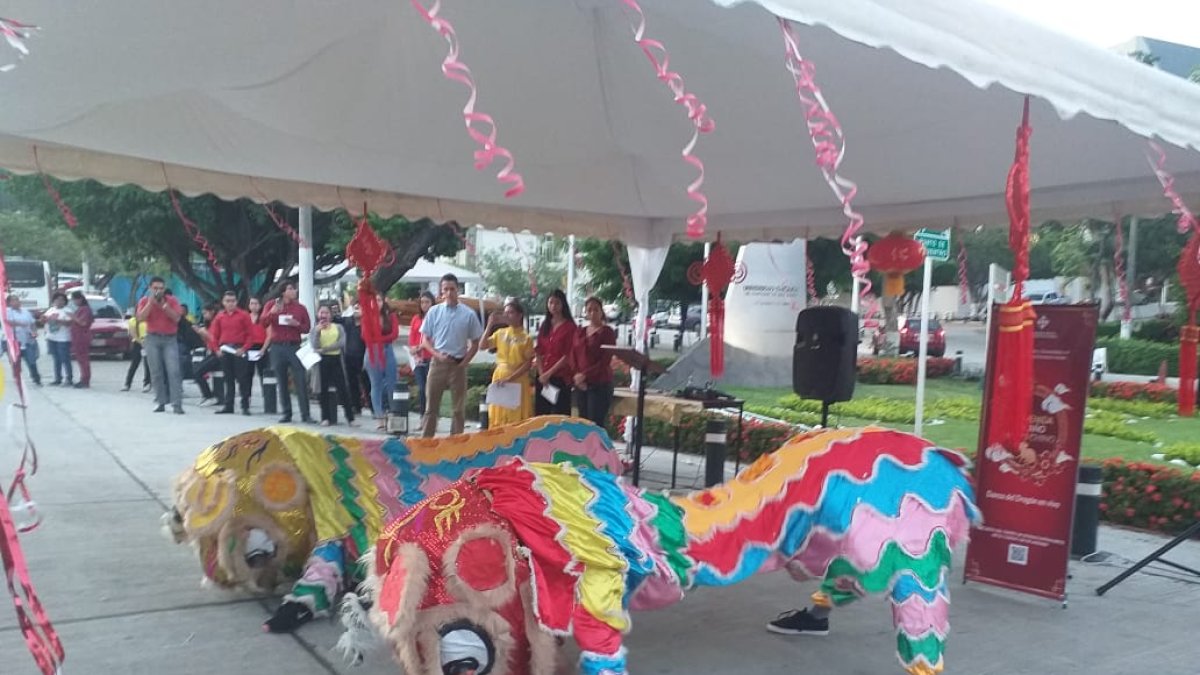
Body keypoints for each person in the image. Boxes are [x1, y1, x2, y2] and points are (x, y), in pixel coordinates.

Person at [419, 274, 482, 437]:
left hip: (458, 364)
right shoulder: (434, 312)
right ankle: (426, 443)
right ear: (441, 291)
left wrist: (464, 362)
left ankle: (456, 443)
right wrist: (436, 354)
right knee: (431, 408)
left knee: (458, 410)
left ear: (458, 290)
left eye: (452, 289)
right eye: (445, 289)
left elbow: (476, 343)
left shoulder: (468, 314)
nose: (449, 292)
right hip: (438, 363)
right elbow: (424, 340)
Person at [262, 282, 313, 424]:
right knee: (281, 380)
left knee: (300, 380)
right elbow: (263, 323)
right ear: (283, 292)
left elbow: (307, 327)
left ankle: (305, 414)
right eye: (290, 289)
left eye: (294, 288)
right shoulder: (272, 304)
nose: (294, 291)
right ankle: (286, 413)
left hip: (294, 346)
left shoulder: (300, 308)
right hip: (278, 346)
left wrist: (296, 325)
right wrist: (272, 313)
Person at [481, 300, 534, 426]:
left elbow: (528, 363)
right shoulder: (501, 333)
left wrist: (510, 378)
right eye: (505, 313)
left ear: (519, 315)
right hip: (500, 377)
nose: (507, 316)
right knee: (499, 413)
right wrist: (489, 325)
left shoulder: (526, 337)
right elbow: (482, 345)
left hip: (517, 379)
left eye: (510, 313)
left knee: (515, 415)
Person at [137, 278, 185, 414]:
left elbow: (176, 318)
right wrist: (151, 304)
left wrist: (164, 305)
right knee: (156, 372)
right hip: (152, 338)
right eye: (156, 288)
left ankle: (177, 404)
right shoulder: (144, 301)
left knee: (174, 371)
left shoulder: (172, 300)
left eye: (161, 288)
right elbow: (140, 318)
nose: (159, 291)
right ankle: (160, 402)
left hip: (169, 339)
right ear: (150, 289)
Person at [572, 296, 617, 427]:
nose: (592, 313)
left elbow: (605, 360)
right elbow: (573, 354)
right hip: (580, 384)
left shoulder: (607, 332)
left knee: (595, 424)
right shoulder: (580, 331)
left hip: (599, 384)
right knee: (582, 424)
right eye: (589, 310)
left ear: (601, 312)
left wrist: (585, 375)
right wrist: (576, 376)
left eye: (595, 310)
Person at [208, 291, 255, 415]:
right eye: (227, 301)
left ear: (236, 302)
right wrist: (216, 350)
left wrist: (244, 348)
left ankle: (245, 406)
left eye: (233, 301)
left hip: (239, 349)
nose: (230, 304)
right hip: (225, 350)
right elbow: (213, 335)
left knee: (242, 379)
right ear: (223, 302)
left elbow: (250, 335)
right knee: (228, 379)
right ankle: (229, 405)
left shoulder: (244, 315)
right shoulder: (219, 316)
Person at [309, 305, 356, 427]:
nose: (324, 315)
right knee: (322, 390)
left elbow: (341, 343)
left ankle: (350, 418)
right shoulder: (315, 329)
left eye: (326, 312)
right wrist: (318, 332)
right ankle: (325, 417)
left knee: (343, 389)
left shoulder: (338, 327)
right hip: (322, 361)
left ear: (330, 315)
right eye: (321, 312)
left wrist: (324, 349)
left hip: (335, 359)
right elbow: (314, 346)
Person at [534, 289, 576, 415]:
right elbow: (539, 351)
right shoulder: (545, 325)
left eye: (557, 303)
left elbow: (567, 355)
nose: (553, 306)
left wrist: (549, 373)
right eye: (551, 303)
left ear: (563, 304)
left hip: (560, 377)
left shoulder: (570, 327)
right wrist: (542, 373)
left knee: (559, 414)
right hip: (543, 377)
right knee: (541, 414)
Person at [363, 295, 399, 430]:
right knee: (376, 385)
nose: (376, 303)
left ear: (383, 301)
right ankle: (380, 417)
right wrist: (378, 339)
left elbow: (394, 334)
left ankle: (392, 413)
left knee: (392, 384)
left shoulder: (391, 316)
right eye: (373, 300)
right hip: (372, 352)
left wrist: (378, 338)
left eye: (378, 300)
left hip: (387, 350)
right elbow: (365, 336)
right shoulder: (367, 317)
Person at [5, 295, 42, 387]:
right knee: (16, 362)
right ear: (9, 303)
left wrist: (34, 332)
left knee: (31, 361)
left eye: (17, 300)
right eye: (13, 301)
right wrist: (20, 324)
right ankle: (18, 379)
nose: (16, 302)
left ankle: (36, 378)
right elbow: (7, 322)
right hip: (14, 341)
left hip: (27, 340)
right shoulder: (7, 312)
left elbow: (32, 323)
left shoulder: (25, 311)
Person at [338, 299, 367, 415]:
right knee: (351, 382)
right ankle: (356, 406)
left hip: (363, 356)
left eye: (359, 307)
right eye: (355, 308)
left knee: (366, 382)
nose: (356, 310)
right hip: (349, 356)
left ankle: (373, 407)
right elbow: (335, 319)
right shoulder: (347, 321)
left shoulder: (367, 323)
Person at [408, 291, 435, 414]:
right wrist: (414, 351)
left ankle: (431, 415)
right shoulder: (416, 318)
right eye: (422, 302)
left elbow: (433, 339)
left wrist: (420, 347)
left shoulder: (435, 318)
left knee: (430, 389)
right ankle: (422, 417)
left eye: (427, 302)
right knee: (421, 388)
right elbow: (412, 337)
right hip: (417, 359)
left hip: (430, 357)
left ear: (432, 303)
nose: (424, 305)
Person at [41, 292, 73, 386]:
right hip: (51, 337)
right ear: (54, 301)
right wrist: (43, 319)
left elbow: (69, 323)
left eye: (62, 300)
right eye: (57, 299)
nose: (59, 302)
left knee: (65, 359)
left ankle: (69, 378)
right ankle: (58, 378)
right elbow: (43, 320)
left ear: (65, 301)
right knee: (56, 359)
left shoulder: (68, 311)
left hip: (63, 338)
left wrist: (57, 320)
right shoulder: (51, 310)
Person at [243, 297, 271, 407]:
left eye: (256, 303)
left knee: (263, 374)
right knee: (247, 374)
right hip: (249, 348)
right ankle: (247, 398)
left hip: (261, 347)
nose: (254, 306)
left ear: (260, 305)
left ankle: (267, 398)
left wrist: (263, 349)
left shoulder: (264, 318)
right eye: (252, 303)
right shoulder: (245, 318)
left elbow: (269, 335)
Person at [68, 290, 94, 389]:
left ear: (79, 299)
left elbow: (83, 323)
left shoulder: (85, 309)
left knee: (83, 360)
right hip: (77, 337)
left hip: (82, 337)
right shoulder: (80, 309)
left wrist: (73, 317)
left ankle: (85, 379)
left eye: (74, 300)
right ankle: (83, 378)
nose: (74, 302)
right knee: (80, 359)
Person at [122, 310, 151, 392]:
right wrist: (141, 343)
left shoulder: (148, 321)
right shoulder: (132, 321)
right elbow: (132, 333)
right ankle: (127, 384)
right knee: (134, 364)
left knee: (147, 364)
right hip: (137, 343)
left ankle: (147, 384)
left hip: (148, 342)